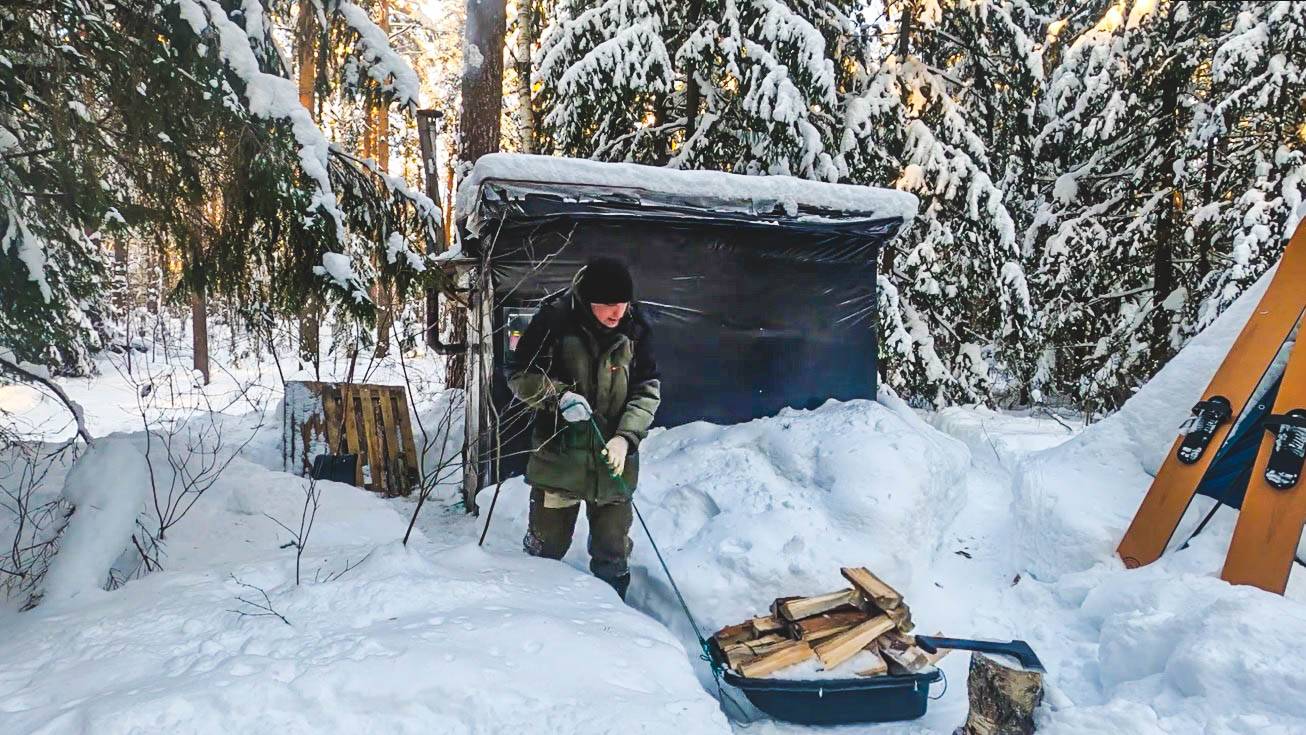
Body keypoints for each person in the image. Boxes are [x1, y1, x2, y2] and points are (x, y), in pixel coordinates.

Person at [507, 256, 660, 599]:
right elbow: (518, 374)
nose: (616, 312)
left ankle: (612, 624)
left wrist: (626, 437)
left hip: (612, 466)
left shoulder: (637, 328)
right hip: (559, 461)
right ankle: (535, 620)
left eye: (622, 303)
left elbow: (647, 389)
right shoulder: (554, 320)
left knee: (613, 553)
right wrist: (557, 397)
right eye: (607, 305)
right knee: (546, 550)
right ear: (588, 300)